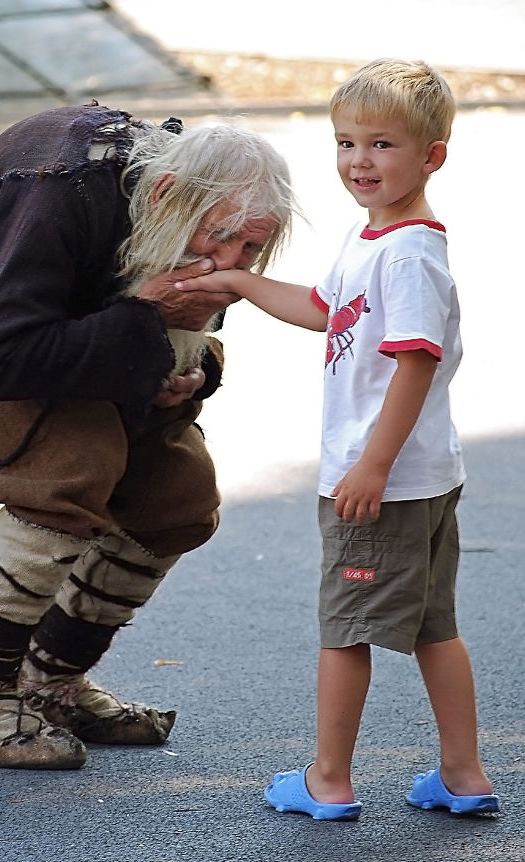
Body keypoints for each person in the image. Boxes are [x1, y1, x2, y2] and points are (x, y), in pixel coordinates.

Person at [0, 103, 295, 769]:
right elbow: (3, 360)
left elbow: (161, 323)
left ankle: (51, 686)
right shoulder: (62, 184)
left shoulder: (178, 205)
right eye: (223, 239)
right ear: (166, 195)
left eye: (251, 249)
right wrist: (144, 327)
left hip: (48, 330)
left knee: (177, 494)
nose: (231, 267)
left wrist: (189, 368)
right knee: (70, 465)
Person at [176, 60, 499, 818]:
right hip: (418, 478)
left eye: (383, 144)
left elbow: (414, 360)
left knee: (344, 631)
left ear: (432, 156)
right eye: (346, 142)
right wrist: (241, 286)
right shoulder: (374, 237)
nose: (359, 160)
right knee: (432, 627)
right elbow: (327, 308)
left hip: (382, 480)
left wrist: (371, 466)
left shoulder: (410, 253)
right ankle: (463, 775)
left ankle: (329, 780)